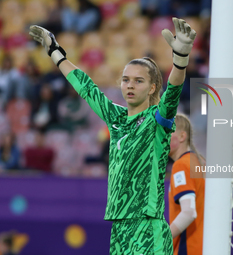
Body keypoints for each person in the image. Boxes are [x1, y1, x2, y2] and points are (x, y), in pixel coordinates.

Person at [29, 17, 196, 254]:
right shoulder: (115, 119)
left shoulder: (158, 120)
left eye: (138, 81)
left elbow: (173, 92)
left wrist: (180, 61)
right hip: (119, 228)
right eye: (126, 80)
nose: (130, 85)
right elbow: (87, 88)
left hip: (148, 227)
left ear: (151, 88)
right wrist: (56, 52)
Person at [168, 113, 205, 255]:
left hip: (189, 249)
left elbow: (189, 212)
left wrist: (161, 240)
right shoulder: (200, 162)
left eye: (167, 132)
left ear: (182, 137)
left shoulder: (182, 165)